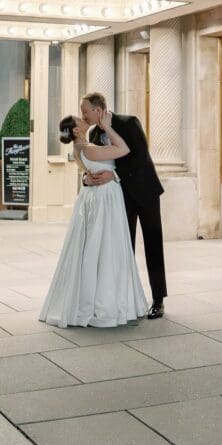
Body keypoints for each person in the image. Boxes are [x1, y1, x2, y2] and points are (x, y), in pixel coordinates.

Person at [39, 109, 148, 328]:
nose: (83, 118)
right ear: (75, 130)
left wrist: (87, 178)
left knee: (96, 248)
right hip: (104, 201)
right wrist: (107, 126)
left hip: (97, 199)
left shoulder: (80, 147)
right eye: (79, 119)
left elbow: (89, 170)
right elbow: (124, 149)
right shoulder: (88, 148)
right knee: (105, 248)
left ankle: (95, 298)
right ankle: (103, 303)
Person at [81, 91, 167, 319]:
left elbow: (140, 156)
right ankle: (126, 300)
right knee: (122, 248)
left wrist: (115, 175)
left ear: (98, 110)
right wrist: (86, 178)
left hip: (146, 193)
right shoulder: (93, 134)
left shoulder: (128, 122)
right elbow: (93, 163)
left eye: (86, 111)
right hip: (120, 199)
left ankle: (158, 300)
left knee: (153, 246)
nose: (83, 116)